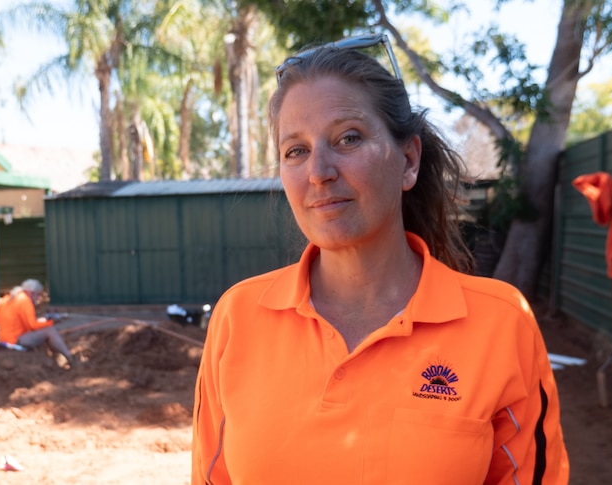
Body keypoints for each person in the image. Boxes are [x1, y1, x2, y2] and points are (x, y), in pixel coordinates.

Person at [191, 34, 569, 484]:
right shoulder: (237, 318)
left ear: (408, 160)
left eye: (348, 138)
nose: (319, 172)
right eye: (296, 150)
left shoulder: (501, 325)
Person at [0, 279, 76, 369]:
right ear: (32, 293)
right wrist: (51, 322)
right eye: (38, 295)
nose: (38, 298)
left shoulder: (7, 298)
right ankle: (70, 359)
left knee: (44, 327)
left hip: (4, 340)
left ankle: (56, 359)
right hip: (15, 340)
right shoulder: (25, 300)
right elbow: (32, 326)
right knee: (50, 330)